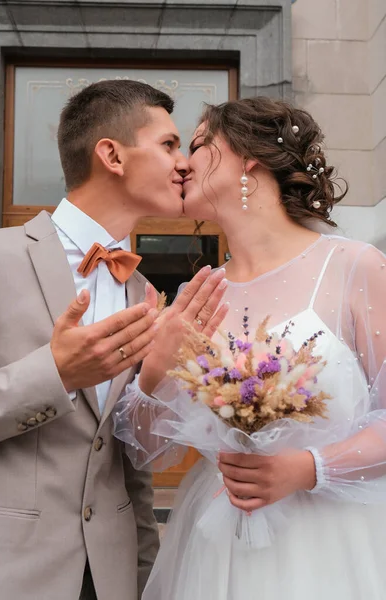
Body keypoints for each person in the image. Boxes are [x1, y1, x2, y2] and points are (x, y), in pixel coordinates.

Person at [114, 97, 386, 600]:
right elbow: (146, 450)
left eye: (196, 145)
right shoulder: (200, 295)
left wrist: (307, 467)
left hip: (333, 544)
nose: (180, 163)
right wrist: (154, 369)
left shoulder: (355, 267)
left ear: (249, 159)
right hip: (215, 548)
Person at [0, 79, 228, 600]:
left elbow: (126, 465)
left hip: (112, 578)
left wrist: (144, 576)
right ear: (112, 155)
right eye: (168, 145)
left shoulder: (144, 293)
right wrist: (56, 374)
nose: (185, 163)